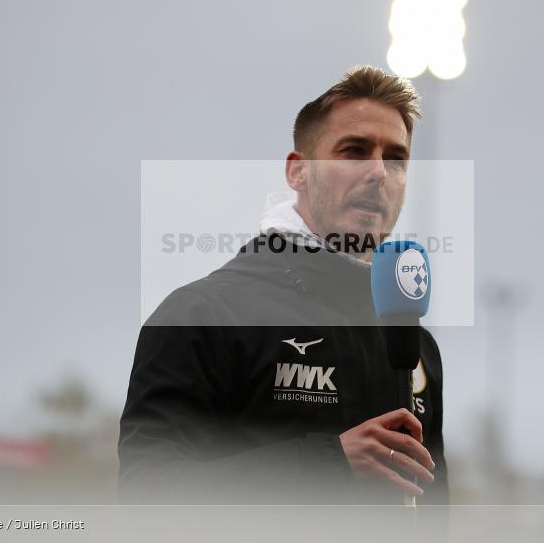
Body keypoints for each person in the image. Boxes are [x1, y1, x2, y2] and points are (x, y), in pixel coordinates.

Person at [118, 66, 448, 504]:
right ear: (298, 172)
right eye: (353, 152)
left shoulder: (414, 343)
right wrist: (329, 463)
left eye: (395, 160)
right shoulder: (201, 314)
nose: (378, 174)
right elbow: (146, 495)